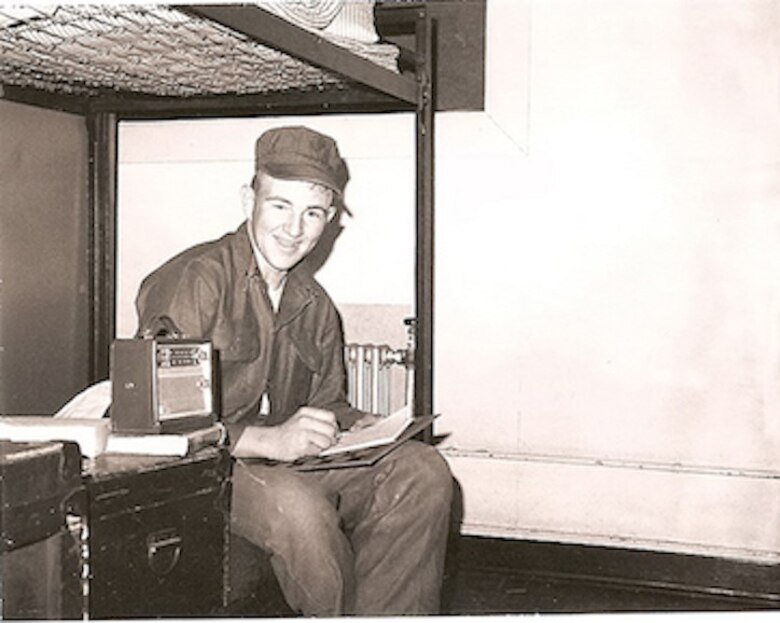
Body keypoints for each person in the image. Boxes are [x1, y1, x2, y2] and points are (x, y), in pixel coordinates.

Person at [134, 125, 453, 616]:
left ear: (329, 221)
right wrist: (268, 441)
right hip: (207, 468)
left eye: (313, 213)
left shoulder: (315, 303)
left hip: (280, 462)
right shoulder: (195, 280)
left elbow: (327, 403)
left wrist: (364, 426)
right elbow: (156, 424)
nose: (294, 228)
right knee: (300, 510)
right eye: (280, 205)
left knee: (422, 470)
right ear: (249, 200)